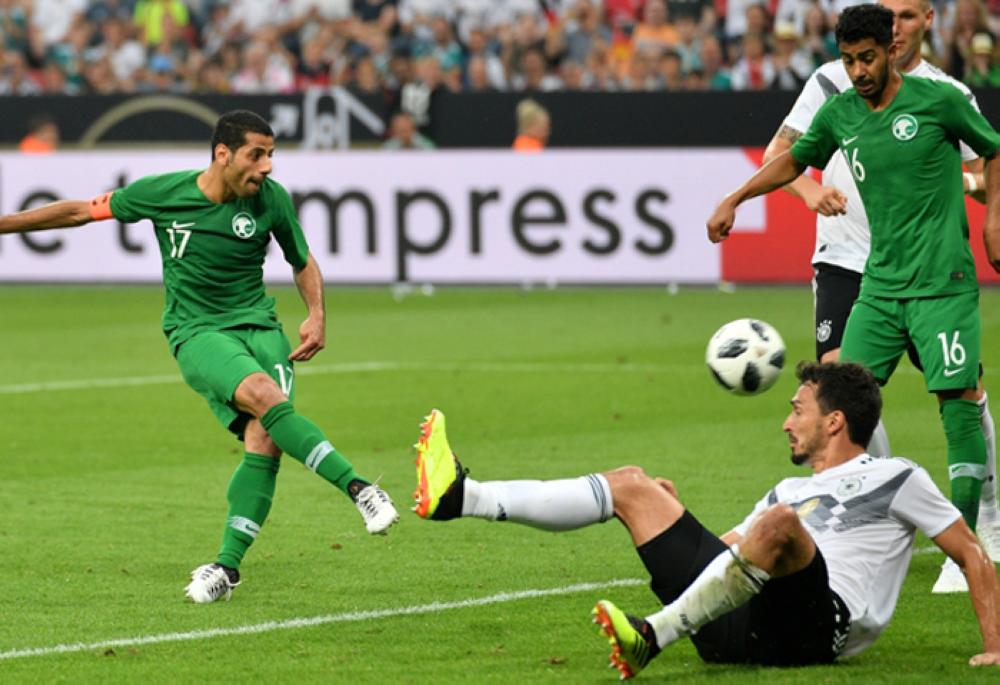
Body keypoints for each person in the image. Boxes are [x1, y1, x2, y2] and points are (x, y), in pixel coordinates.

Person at [0, 110, 399, 603]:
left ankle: (226, 569)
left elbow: (302, 261)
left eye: (271, 155)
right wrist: (4, 224)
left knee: (266, 438)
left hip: (260, 329)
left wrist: (316, 313)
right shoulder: (163, 193)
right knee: (264, 397)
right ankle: (360, 488)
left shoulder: (271, 200)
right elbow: (82, 211)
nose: (267, 167)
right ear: (222, 154)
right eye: (257, 155)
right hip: (198, 330)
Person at [412, 363, 1000, 678]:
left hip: (818, 631)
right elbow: (732, 553)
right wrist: (675, 520)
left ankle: (654, 635)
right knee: (634, 485)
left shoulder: (896, 475)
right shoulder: (789, 488)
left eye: (797, 410)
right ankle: (463, 496)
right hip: (740, 627)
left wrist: (995, 649)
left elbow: (971, 554)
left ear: (836, 422)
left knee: (780, 526)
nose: (786, 422)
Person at [758, 0, 1000, 592]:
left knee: (960, 388)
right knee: (845, 385)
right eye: (888, 14)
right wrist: (808, 193)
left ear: (926, 25)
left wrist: (955, 188)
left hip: (925, 268)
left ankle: (983, 517)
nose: (896, 27)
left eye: (909, 16)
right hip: (845, 259)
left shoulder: (947, 95)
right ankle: (868, 513)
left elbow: (980, 169)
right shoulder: (829, 83)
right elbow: (780, 156)